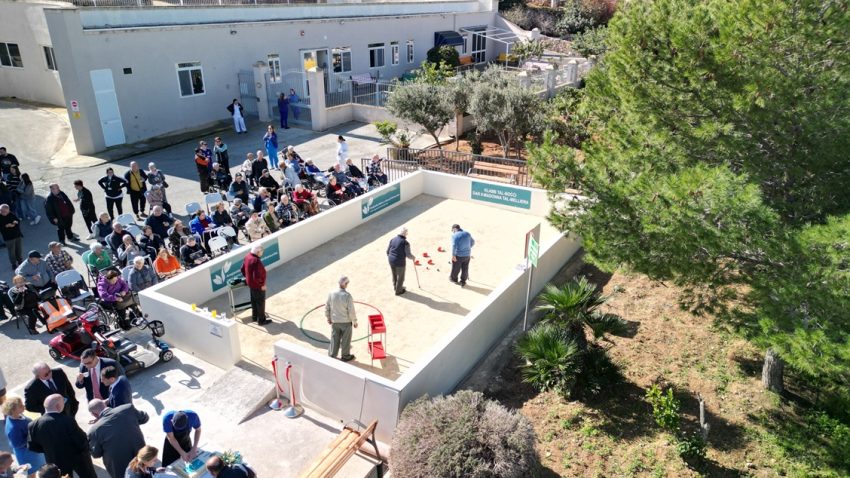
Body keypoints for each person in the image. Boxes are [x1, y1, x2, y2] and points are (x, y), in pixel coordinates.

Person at [27, 394, 96, 478]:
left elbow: (32, 446)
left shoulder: (33, 425)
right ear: (58, 406)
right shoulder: (67, 420)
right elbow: (81, 440)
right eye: (63, 402)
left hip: (55, 460)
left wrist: (49, 450)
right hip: (78, 458)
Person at [87, 400, 147, 478]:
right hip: (142, 456)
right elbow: (145, 417)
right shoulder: (128, 408)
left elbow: (96, 454)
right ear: (104, 404)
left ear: (94, 414)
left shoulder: (94, 430)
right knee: (146, 474)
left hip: (120, 468)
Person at [3, 396, 46, 474]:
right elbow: (17, 444)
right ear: (13, 410)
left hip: (33, 450)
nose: (23, 406)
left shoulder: (17, 415)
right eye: (20, 406)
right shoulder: (13, 428)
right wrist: (33, 436)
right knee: (32, 472)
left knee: (41, 468)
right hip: (28, 455)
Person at [325, 276, 358, 362]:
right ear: (345, 284)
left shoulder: (331, 293)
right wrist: (354, 321)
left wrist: (328, 317)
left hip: (335, 321)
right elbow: (351, 311)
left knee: (334, 338)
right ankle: (345, 356)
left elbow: (327, 307)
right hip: (346, 323)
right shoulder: (347, 296)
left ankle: (332, 354)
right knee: (346, 340)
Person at [241, 244, 268, 325]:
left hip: (251, 284)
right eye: (261, 251)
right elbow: (256, 277)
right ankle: (261, 320)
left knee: (254, 301)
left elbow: (242, 269)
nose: (262, 253)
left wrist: (248, 278)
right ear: (258, 251)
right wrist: (262, 285)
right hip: (257, 286)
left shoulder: (247, 256)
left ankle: (254, 317)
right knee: (260, 302)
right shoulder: (256, 261)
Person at [387, 227, 416, 295]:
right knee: (401, 277)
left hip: (391, 260)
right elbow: (408, 255)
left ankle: (395, 287)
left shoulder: (393, 239)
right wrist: (413, 258)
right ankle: (398, 291)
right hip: (400, 262)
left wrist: (391, 258)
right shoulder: (405, 243)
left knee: (394, 275)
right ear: (405, 234)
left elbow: (387, 251)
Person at [0, 204, 23, 268]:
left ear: (8, 210)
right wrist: (6, 226)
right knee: (11, 251)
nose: (4, 213)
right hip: (8, 238)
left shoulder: (11, 214)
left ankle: (20, 260)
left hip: (17, 235)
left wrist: (15, 223)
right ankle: (13, 264)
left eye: (6, 211)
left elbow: (17, 220)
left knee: (19, 249)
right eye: (2, 211)